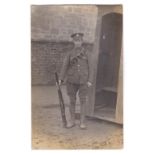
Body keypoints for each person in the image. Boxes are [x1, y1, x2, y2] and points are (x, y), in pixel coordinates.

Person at [59, 33, 94, 129]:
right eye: (76, 41)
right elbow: (65, 66)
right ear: (73, 42)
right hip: (71, 80)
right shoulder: (69, 54)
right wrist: (61, 78)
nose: (77, 42)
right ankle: (72, 121)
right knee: (72, 101)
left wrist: (90, 80)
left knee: (83, 101)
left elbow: (91, 68)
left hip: (83, 81)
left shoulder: (87, 53)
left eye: (79, 41)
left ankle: (82, 122)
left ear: (82, 42)